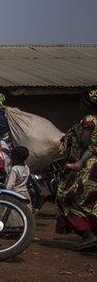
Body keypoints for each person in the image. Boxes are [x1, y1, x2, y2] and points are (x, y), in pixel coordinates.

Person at [55, 89, 97, 249]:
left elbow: (85, 142)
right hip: (91, 166)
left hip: (86, 167)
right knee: (89, 202)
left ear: (87, 104)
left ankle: (88, 235)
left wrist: (74, 133)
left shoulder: (89, 120)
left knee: (68, 198)